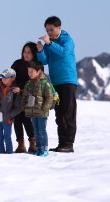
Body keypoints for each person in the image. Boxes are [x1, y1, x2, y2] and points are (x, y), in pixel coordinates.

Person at [36, 16, 77, 153]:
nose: (49, 32)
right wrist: (41, 50)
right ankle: (62, 144)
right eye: (47, 29)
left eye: (51, 29)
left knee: (68, 113)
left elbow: (64, 53)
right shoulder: (50, 43)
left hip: (67, 81)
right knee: (59, 115)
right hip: (55, 83)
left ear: (59, 28)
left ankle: (68, 144)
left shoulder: (67, 39)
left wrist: (49, 44)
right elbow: (45, 61)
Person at [0, 68, 23, 154]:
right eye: (2, 76)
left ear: (12, 78)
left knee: (7, 137)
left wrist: (10, 115)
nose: (4, 78)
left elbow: (19, 107)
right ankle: (0, 154)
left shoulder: (15, 91)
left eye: (6, 77)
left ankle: (9, 154)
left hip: (7, 119)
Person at [21, 61, 53, 157]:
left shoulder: (44, 83)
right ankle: (38, 149)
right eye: (28, 71)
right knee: (36, 131)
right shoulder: (29, 83)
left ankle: (44, 149)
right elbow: (24, 96)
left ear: (39, 71)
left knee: (42, 131)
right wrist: (24, 106)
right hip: (32, 112)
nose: (29, 73)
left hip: (42, 113)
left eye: (31, 71)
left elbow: (49, 97)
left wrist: (44, 108)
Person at [10, 42, 38, 153]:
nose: (26, 54)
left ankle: (33, 142)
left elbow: (36, 83)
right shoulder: (17, 63)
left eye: (29, 52)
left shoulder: (36, 65)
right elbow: (9, 75)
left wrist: (21, 90)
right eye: (24, 51)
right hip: (16, 97)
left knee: (26, 119)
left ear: (34, 53)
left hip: (29, 97)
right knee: (17, 119)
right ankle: (20, 144)